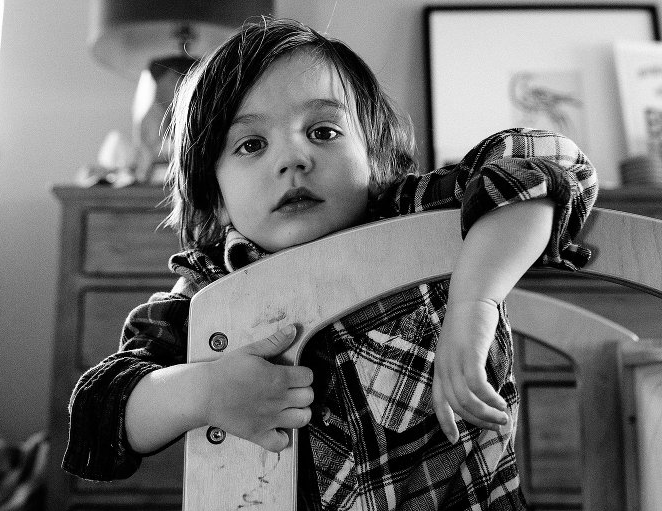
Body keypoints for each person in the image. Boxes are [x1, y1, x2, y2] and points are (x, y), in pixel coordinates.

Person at [63, 17, 597, 510]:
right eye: (251, 144)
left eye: (323, 132)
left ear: (376, 156)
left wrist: (474, 302)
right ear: (217, 194)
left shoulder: (415, 218)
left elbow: (549, 162)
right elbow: (101, 409)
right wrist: (205, 392)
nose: (293, 158)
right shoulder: (210, 289)